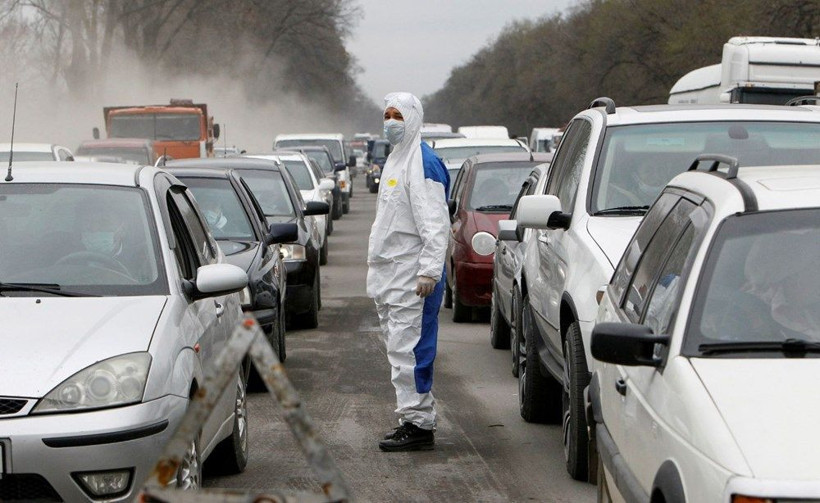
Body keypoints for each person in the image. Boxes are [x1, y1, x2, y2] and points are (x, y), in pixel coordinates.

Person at [367, 92, 450, 452]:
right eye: (386, 114)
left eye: (396, 115)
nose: (389, 121)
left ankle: (419, 424)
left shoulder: (423, 164)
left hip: (414, 279)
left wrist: (429, 273)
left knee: (411, 351)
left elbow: (435, 225)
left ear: (413, 118)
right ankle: (411, 418)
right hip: (392, 275)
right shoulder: (395, 161)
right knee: (399, 349)